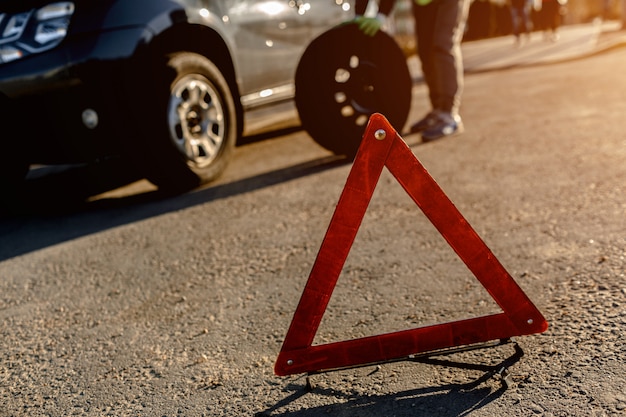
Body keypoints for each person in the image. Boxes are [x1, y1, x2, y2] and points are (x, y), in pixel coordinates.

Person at [354, 0, 470, 142]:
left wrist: (382, 15)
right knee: (425, 51)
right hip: (425, 3)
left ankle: (449, 115)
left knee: (441, 45)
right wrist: (358, 14)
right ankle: (438, 110)